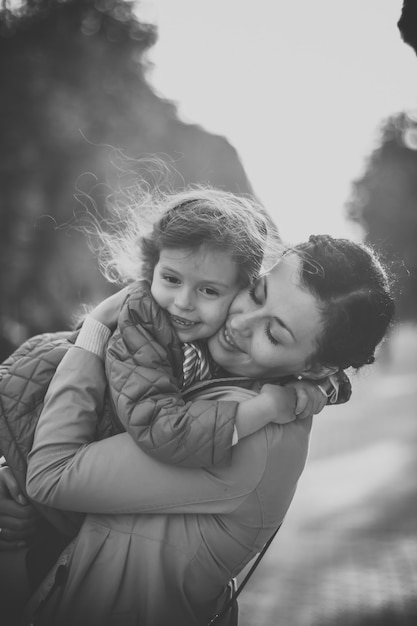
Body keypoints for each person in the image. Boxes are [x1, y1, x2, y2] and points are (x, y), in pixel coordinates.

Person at [23, 234, 395, 626]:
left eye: (273, 334)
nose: (238, 323)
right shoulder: (219, 371)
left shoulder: (249, 437)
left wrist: (96, 327)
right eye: (256, 292)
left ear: (317, 367)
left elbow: (52, 475)